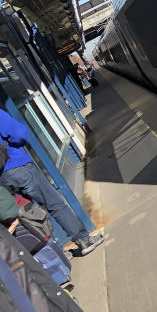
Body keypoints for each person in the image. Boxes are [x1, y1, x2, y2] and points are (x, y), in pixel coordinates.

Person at [0, 108, 102, 255]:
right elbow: (19, 133)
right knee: (54, 204)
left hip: (3, 179)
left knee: (26, 215)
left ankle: (54, 252)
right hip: (18, 167)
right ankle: (83, 240)